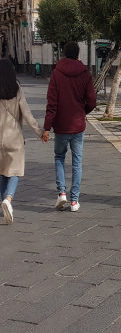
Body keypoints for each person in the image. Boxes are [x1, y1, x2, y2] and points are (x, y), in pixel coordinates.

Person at [43, 42, 96, 213]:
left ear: (64, 54)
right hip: (78, 125)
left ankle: (62, 192)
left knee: (59, 157)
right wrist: (82, 111)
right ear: (77, 54)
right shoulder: (85, 74)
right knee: (77, 162)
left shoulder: (56, 73)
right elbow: (92, 101)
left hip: (60, 126)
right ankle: (74, 201)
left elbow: (51, 103)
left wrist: (46, 127)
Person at [0, 59, 47, 224]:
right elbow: (27, 114)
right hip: (14, 138)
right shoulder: (17, 89)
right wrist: (40, 132)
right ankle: (8, 199)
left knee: (1, 171)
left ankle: (3, 204)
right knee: (15, 171)